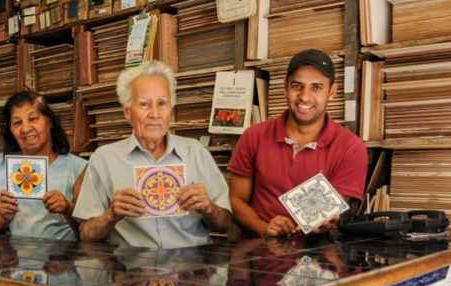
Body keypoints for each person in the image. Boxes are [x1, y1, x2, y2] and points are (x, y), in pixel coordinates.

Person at [73, 60, 232, 249]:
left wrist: (209, 208)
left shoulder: (196, 152)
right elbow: (86, 234)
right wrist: (111, 215)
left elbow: (226, 225)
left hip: (192, 264)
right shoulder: (104, 158)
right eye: (144, 104)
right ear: (127, 112)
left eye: (162, 103)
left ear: (171, 110)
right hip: (130, 267)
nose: (155, 114)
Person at [228, 49, 368, 238]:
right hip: (259, 247)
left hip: (319, 252)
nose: (304, 97)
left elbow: (338, 211)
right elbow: (236, 200)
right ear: (285, 87)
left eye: (316, 87)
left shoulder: (351, 147)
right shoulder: (254, 136)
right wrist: (265, 228)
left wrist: (328, 220)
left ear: (332, 91)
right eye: (297, 86)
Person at [0, 91, 87, 240]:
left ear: (50, 122)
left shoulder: (78, 167)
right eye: (17, 123)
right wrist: (3, 217)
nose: (25, 129)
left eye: (33, 119)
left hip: (61, 260)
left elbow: (89, 233)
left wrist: (68, 209)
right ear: (10, 130)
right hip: (12, 259)